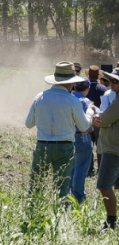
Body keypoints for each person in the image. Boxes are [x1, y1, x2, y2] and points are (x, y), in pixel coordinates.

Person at [25, 61, 95, 201]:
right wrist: (90, 112)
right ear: (71, 83)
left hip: (42, 145)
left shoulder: (39, 97)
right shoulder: (72, 101)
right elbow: (84, 126)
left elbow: (28, 124)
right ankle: (61, 216)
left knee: (36, 184)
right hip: (64, 146)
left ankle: (32, 212)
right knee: (62, 188)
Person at [93, 68, 119, 229]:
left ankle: (111, 222)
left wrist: (98, 117)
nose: (112, 84)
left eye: (116, 81)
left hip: (113, 149)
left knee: (104, 185)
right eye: (112, 81)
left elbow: (102, 121)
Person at [70, 78, 95, 203]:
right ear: (88, 89)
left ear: (74, 87)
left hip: (68, 137)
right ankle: (78, 197)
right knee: (81, 169)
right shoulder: (87, 102)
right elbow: (90, 123)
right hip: (83, 136)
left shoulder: (68, 98)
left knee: (71, 168)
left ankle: (68, 195)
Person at [86, 65, 108, 176]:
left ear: (88, 75)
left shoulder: (85, 87)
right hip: (100, 121)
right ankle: (100, 168)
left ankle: (90, 169)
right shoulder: (103, 89)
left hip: (88, 120)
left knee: (89, 145)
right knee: (100, 146)